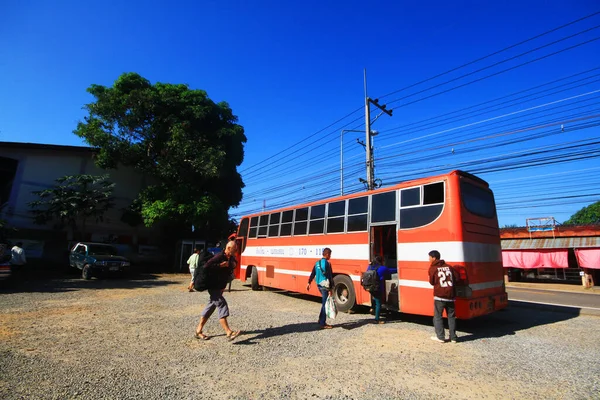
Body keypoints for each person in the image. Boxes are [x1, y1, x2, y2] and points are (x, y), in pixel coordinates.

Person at [194, 241, 241, 341]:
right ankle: (228, 332)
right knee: (221, 304)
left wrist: (233, 264)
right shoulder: (219, 257)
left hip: (220, 287)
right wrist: (220, 266)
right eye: (235, 249)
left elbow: (234, 265)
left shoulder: (231, 257)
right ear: (228, 249)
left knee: (210, 307)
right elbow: (207, 266)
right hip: (213, 286)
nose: (236, 251)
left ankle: (198, 330)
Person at [428, 250, 459, 343]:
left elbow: (432, 282)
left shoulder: (433, 268)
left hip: (440, 296)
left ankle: (440, 337)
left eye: (429, 257)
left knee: (438, 316)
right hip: (451, 296)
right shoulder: (449, 267)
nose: (428, 259)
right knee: (451, 316)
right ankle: (453, 337)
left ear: (434, 258)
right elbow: (457, 278)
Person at [306, 247, 334, 329]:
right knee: (325, 304)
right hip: (325, 286)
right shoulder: (327, 264)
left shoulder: (317, 263)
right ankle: (322, 323)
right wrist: (331, 289)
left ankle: (320, 319)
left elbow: (313, 273)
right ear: (327, 254)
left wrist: (309, 282)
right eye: (330, 255)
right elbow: (329, 277)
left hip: (319, 285)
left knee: (324, 303)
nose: (330, 256)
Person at [366, 255, 397, 324]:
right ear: (381, 261)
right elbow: (390, 271)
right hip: (378, 288)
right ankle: (377, 319)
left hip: (370, 287)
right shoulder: (382, 268)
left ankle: (372, 308)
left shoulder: (369, 267)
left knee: (374, 298)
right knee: (378, 303)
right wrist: (398, 268)